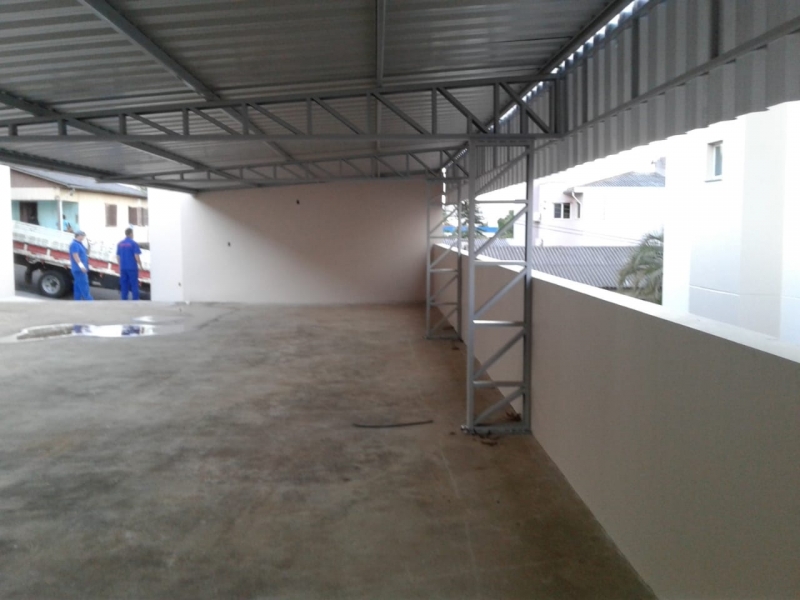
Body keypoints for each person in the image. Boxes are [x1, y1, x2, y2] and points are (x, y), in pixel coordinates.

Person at [116, 228, 142, 300]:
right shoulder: (134, 243)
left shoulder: (120, 244)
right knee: (134, 284)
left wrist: (120, 265)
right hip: (132, 267)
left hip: (123, 268)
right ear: (131, 234)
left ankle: (124, 299)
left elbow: (118, 256)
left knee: (124, 284)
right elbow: (136, 256)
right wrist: (140, 265)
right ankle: (135, 300)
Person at [69, 230, 93, 301]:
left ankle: (77, 301)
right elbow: (75, 256)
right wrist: (82, 267)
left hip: (79, 269)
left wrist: (89, 245)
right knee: (84, 286)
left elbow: (86, 253)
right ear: (79, 236)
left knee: (78, 287)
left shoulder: (79, 244)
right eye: (83, 236)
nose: (83, 237)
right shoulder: (74, 244)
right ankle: (90, 302)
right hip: (79, 270)